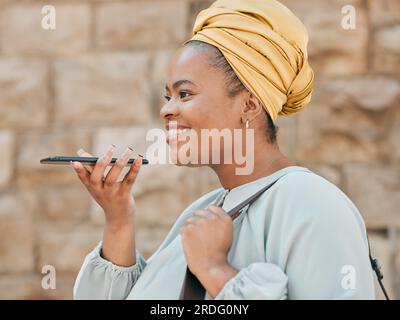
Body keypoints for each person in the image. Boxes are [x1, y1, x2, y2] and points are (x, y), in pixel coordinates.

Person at [72, 0, 375, 299]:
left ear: (249, 105)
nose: (166, 110)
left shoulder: (313, 204)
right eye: (168, 96)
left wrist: (215, 270)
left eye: (185, 93)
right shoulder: (202, 212)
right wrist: (119, 220)